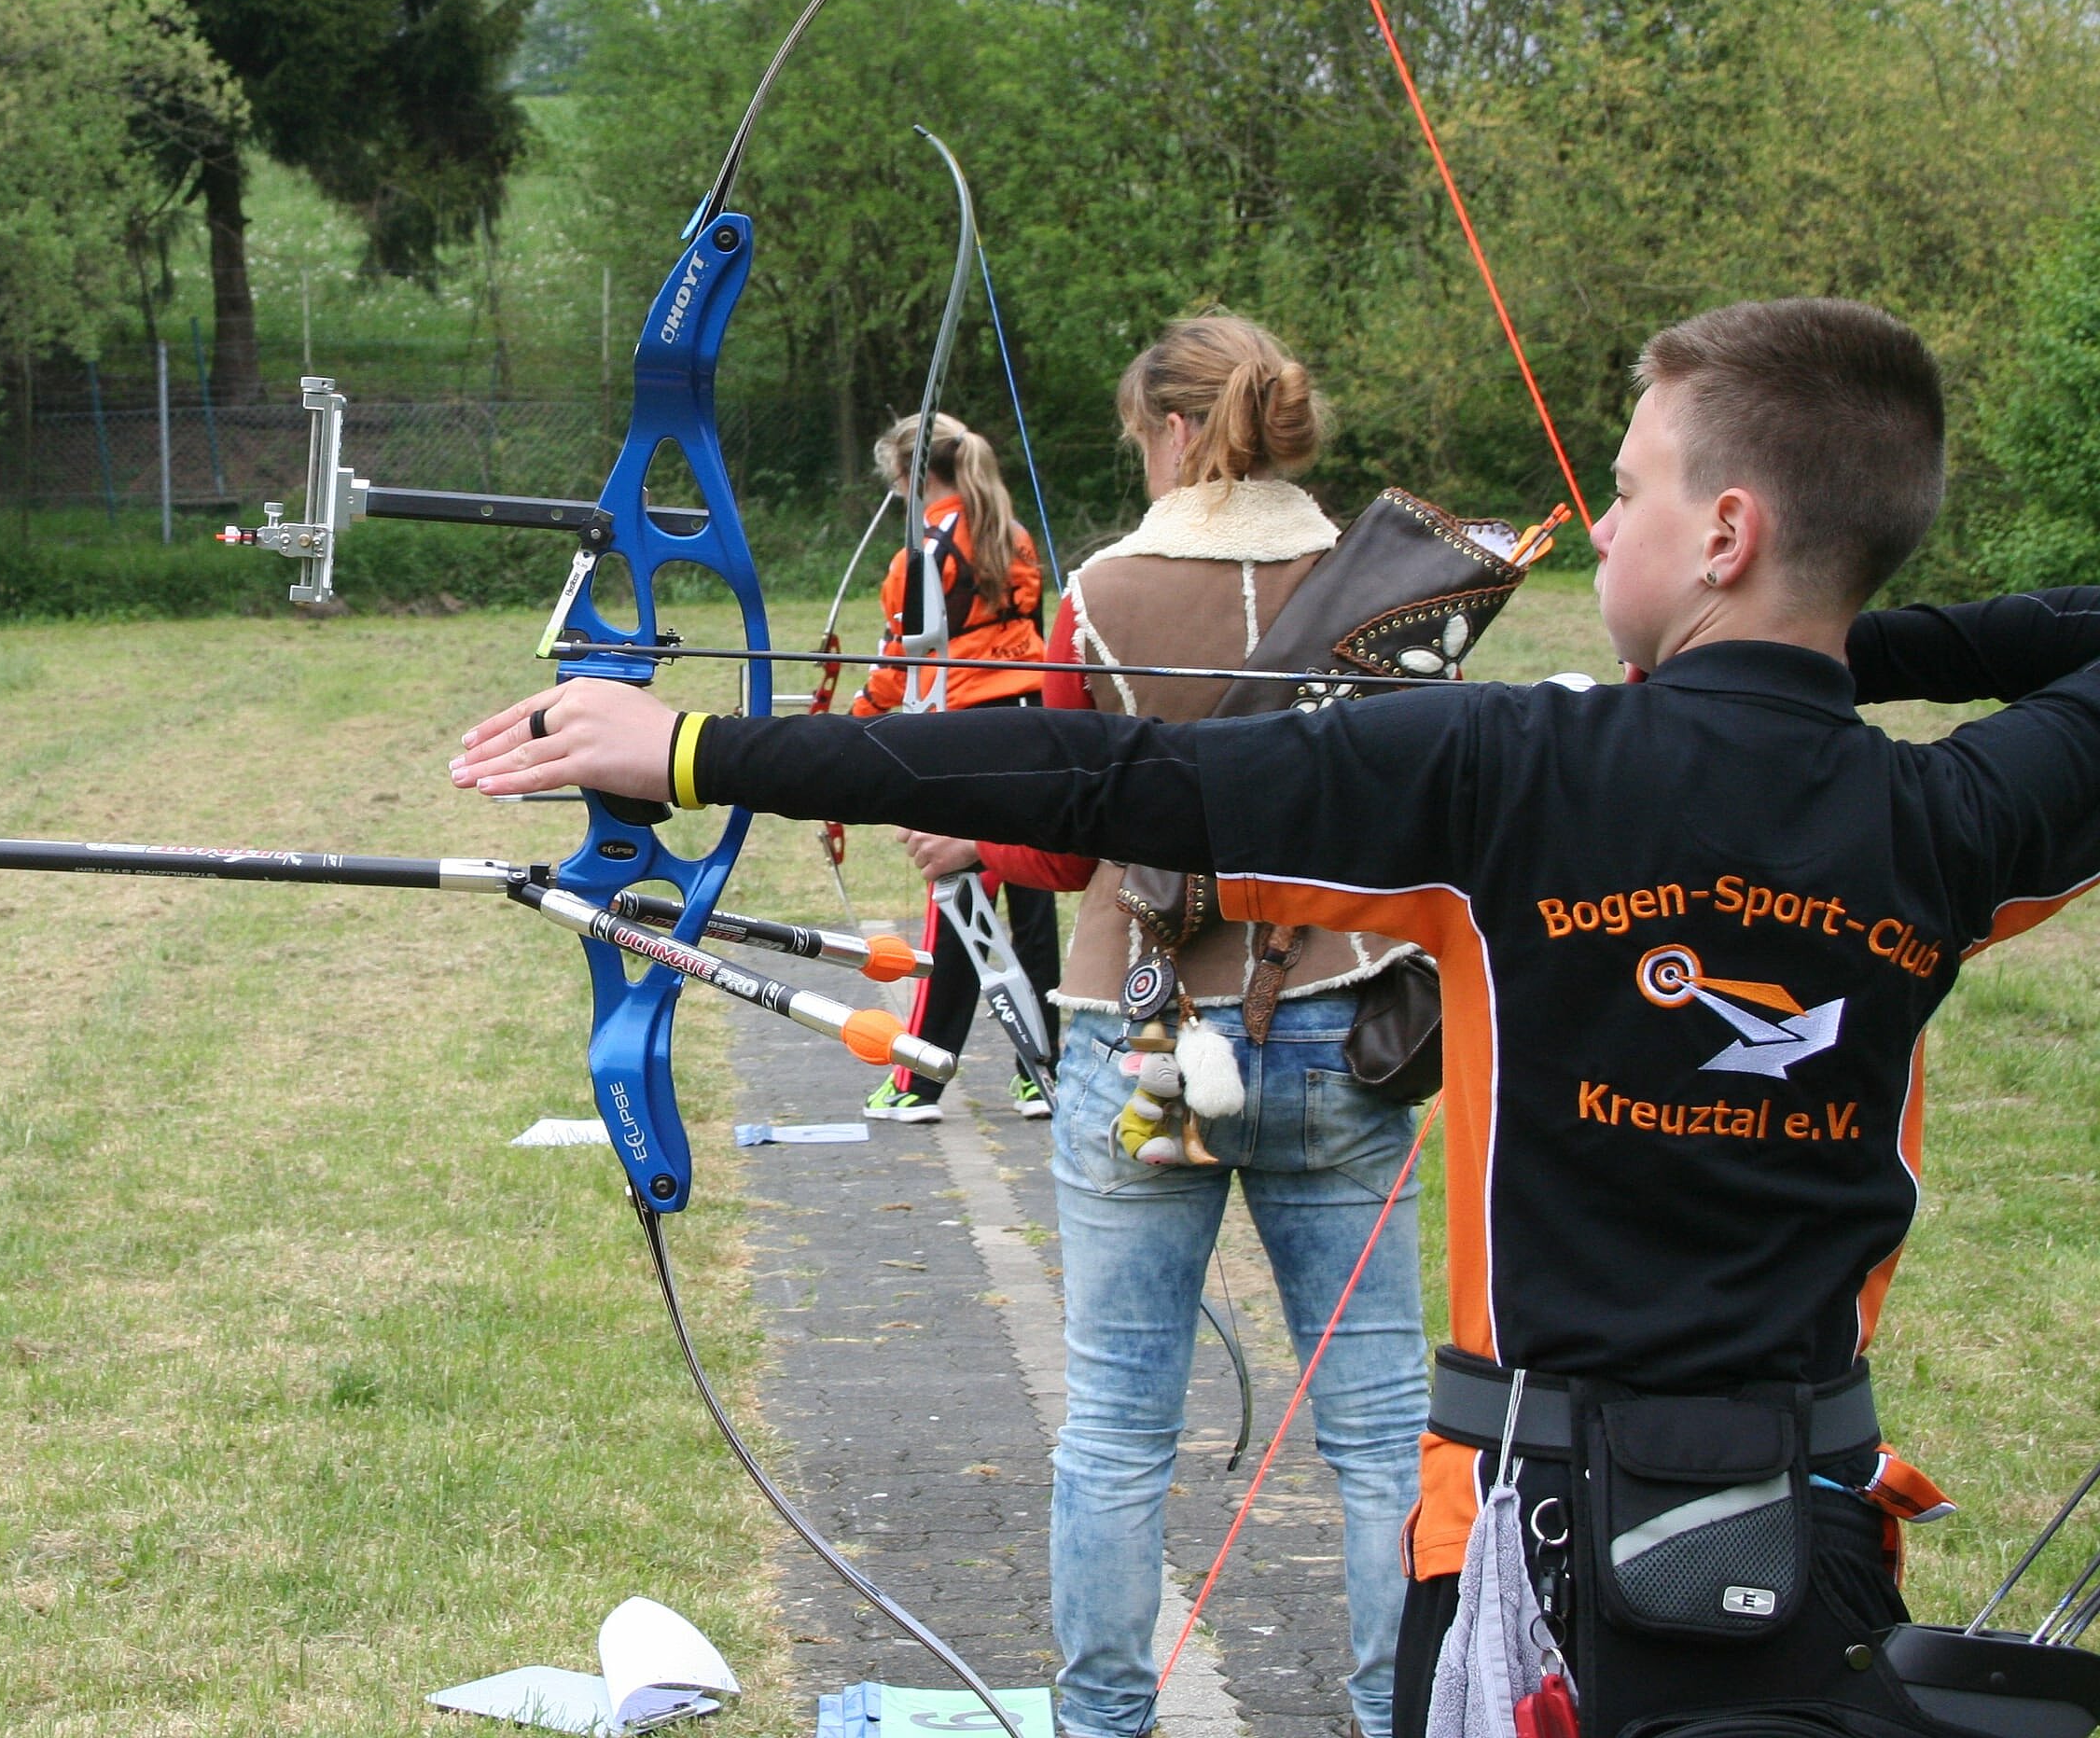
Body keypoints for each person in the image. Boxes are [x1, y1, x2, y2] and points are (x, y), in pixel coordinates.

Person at [455, 299, 2099, 1738]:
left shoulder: (1514, 773)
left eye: (1628, 488)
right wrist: (1827, 651)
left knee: (1132, 1411)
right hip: (1805, 1547)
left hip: (1533, 1564)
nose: (1602, 528)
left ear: (1727, 532)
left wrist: (695, 749)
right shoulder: (1956, 822)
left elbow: (1098, 774)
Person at [886, 315, 1430, 1737]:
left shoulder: (1105, 592)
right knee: (1384, 1437)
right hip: (1346, 1028)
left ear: (1179, 433)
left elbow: (1071, 845)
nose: (1143, 456)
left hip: (1147, 1034)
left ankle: (1104, 1724)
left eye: (1142, 436)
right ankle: (1402, 1715)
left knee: (1120, 1431)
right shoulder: (1389, 584)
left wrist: (976, 839)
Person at [845, 411, 1064, 1124]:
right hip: (1033, 721)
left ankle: (919, 1082)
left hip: (969, 733)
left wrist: (853, 720)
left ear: (911, 474)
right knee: (1031, 896)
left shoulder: (920, 554)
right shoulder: (1010, 532)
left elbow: (896, 664)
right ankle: (1040, 1073)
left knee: (959, 902)